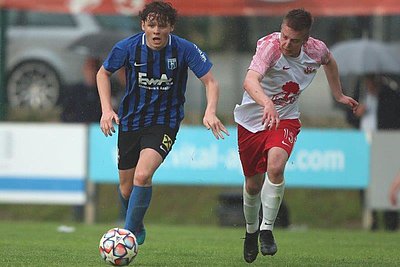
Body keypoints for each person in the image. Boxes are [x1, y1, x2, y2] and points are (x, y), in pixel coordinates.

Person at [96, 1, 229, 246]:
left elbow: (211, 82)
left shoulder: (185, 49)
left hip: (164, 122)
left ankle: (126, 238)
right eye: (152, 25)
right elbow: (102, 73)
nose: (157, 30)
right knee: (126, 189)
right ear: (143, 26)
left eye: (162, 25)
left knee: (143, 174)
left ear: (171, 27)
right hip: (130, 121)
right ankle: (136, 224)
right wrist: (106, 109)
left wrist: (210, 111)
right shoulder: (128, 47)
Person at [233, 9, 358, 263]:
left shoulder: (316, 50)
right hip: (251, 121)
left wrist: (338, 94)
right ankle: (250, 232)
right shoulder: (270, 47)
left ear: (306, 39)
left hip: (286, 118)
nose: (287, 43)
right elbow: (249, 80)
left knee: (276, 167)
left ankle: (267, 229)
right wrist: (267, 103)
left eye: (294, 40)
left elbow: (330, 61)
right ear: (282, 28)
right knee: (253, 185)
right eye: (285, 36)